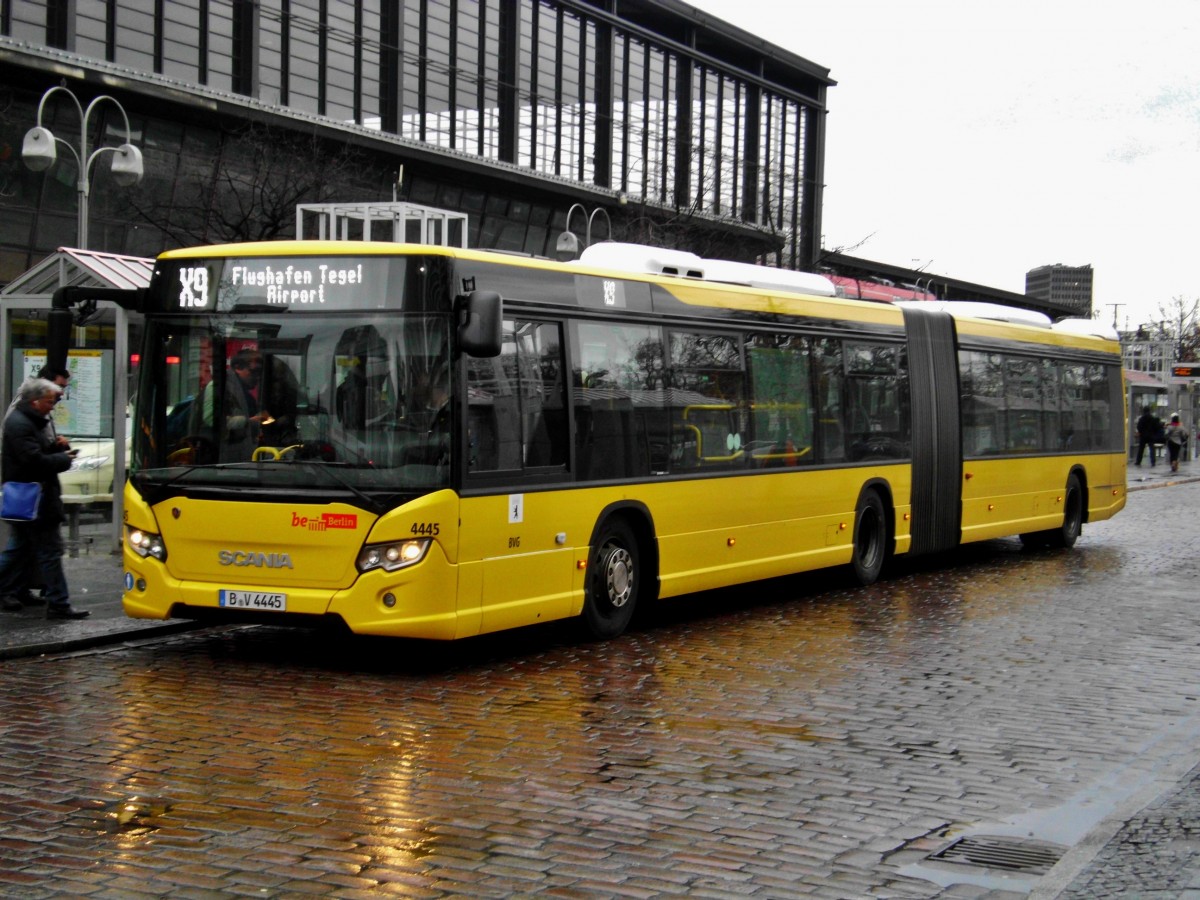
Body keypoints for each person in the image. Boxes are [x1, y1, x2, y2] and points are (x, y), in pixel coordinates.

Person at [0, 378, 88, 619]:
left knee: (19, 549)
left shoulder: (34, 421)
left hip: (33, 497)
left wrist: (58, 447)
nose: (53, 406)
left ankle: (15, 591)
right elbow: (32, 461)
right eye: (49, 401)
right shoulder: (20, 424)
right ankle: (59, 603)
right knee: (49, 551)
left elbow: (37, 454)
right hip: (34, 499)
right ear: (35, 401)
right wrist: (64, 460)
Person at [190, 347, 272, 461]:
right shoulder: (218, 387)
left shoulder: (243, 393)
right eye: (254, 371)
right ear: (238, 368)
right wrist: (249, 421)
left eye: (260, 373)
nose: (257, 377)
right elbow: (211, 420)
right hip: (215, 459)